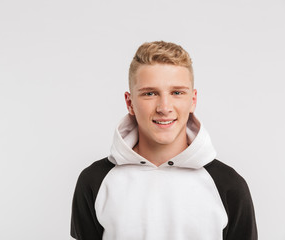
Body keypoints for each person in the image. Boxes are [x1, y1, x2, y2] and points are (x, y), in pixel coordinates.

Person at [70, 41, 258, 240]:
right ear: (130, 102)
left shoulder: (228, 185)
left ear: (193, 100)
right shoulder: (95, 181)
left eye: (177, 92)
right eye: (150, 93)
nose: (164, 107)